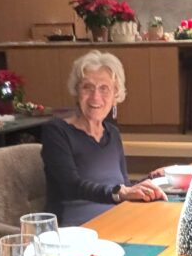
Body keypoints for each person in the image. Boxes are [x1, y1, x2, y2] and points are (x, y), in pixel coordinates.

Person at [42, 50, 166, 226]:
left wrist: (151, 179)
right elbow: (71, 186)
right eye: (87, 87)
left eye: (104, 88)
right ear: (76, 92)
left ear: (116, 96)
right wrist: (119, 193)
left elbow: (122, 185)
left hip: (116, 221)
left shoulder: (112, 133)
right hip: (76, 229)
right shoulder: (57, 131)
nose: (95, 97)